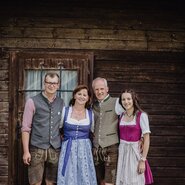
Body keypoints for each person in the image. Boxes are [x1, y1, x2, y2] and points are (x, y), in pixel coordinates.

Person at [21, 72, 64, 185]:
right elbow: (25, 128)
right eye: (49, 82)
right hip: (37, 148)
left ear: (58, 85)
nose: (51, 85)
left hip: (55, 149)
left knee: (52, 182)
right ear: (44, 84)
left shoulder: (61, 102)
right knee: (35, 182)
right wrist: (26, 152)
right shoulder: (32, 101)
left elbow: (62, 125)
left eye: (54, 83)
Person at [57, 85, 97, 185]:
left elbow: (92, 131)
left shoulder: (90, 114)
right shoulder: (65, 111)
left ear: (88, 98)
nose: (81, 97)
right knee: (68, 175)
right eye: (79, 94)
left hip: (84, 150)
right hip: (68, 149)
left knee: (84, 175)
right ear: (74, 95)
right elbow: (58, 129)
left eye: (84, 95)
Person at [116, 89, 153, 185]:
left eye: (129, 99)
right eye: (123, 99)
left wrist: (143, 160)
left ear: (133, 100)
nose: (126, 102)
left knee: (135, 180)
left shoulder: (141, 115)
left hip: (135, 153)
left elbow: (147, 138)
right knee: (122, 180)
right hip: (122, 152)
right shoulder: (121, 116)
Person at [92, 77, 123, 185]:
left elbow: (131, 115)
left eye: (102, 88)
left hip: (111, 146)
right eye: (96, 89)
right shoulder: (93, 106)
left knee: (110, 180)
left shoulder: (117, 102)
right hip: (96, 148)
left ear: (107, 89)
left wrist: (141, 136)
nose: (99, 92)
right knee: (99, 180)